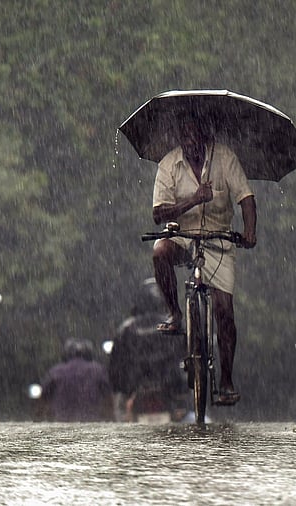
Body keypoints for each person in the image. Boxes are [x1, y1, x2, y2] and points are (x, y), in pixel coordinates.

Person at [151, 113, 256, 406]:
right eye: (184, 138)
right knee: (159, 251)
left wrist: (250, 231)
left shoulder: (225, 158)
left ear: (206, 137)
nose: (190, 143)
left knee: (224, 310)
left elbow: (246, 198)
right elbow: (158, 214)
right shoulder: (169, 164)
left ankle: (226, 379)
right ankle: (174, 313)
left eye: (195, 137)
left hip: (218, 239)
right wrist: (194, 200)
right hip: (183, 236)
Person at [108, 278, 184, 422]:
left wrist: (121, 387)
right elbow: (188, 355)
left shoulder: (126, 329)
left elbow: (115, 367)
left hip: (136, 388)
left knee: (120, 418)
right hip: (170, 387)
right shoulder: (177, 326)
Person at [39, 338, 114, 422]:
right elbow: (108, 399)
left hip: (62, 422)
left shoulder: (56, 371)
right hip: (91, 423)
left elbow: (43, 399)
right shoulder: (98, 370)